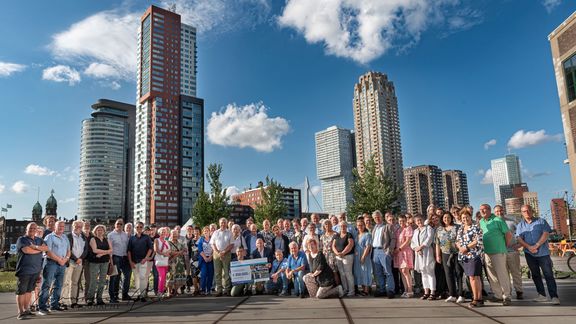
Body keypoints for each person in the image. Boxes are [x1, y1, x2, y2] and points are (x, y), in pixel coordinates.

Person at [516, 205, 560, 305]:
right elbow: (519, 238)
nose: (526, 212)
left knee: (548, 274)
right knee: (535, 275)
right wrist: (529, 247)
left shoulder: (541, 221)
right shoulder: (520, 225)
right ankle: (542, 295)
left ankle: (554, 296)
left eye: (528, 210)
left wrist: (536, 245)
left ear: (532, 211)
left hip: (543, 254)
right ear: (522, 213)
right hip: (529, 254)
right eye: (524, 211)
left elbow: (545, 234)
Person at [479, 204, 512, 306]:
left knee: (502, 274)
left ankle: (506, 296)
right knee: (492, 275)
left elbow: (508, 234)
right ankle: (497, 295)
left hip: (498, 251)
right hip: (487, 252)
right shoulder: (481, 222)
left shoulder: (498, 220)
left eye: (484, 209)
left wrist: (504, 245)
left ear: (489, 210)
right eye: (481, 210)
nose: (482, 211)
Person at [15, 223, 48, 320]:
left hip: (35, 270)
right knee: (21, 291)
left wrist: (35, 247)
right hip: (24, 270)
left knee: (29, 291)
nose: (32, 230)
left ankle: (27, 309)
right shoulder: (22, 239)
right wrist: (38, 249)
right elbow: (26, 250)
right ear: (26, 229)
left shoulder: (39, 239)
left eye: (34, 228)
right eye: (30, 228)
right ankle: (20, 312)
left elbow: (46, 248)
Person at [38, 221, 70, 315]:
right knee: (47, 284)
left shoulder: (65, 237)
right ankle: (42, 307)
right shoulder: (49, 237)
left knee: (59, 285)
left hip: (62, 264)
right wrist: (59, 260)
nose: (61, 227)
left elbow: (69, 250)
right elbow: (48, 251)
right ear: (55, 227)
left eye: (63, 226)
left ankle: (54, 304)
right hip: (51, 263)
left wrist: (65, 259)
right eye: (59, 226)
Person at [494, 205, 523, 300]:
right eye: (497, 211)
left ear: (504, 210)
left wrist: (519, 245)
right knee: (504, 274)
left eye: (501, 210)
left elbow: (521, 234)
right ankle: (507, 292)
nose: (499, 212)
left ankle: (519, 291)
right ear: (494, 213)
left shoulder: (511, 222)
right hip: (500, 253)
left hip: (512, 251)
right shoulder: (493, 223)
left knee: (515, 272)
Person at [456, 211, 483, 308]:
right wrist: (460, 248)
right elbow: (457, 241)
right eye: (463, 218)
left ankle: (476, 298)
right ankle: (479, 298)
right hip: (464, 256)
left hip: (474, 255)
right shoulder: (460, 229)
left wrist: (466, 248)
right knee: (474, 277)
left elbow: (477, 241)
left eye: (467, 217)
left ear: (470, 217)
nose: (465, 219)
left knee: (473, 277)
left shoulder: (476, 227)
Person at [436, 212, 464, 303]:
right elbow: (437, 243)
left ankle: (460, 295)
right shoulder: (439, 229)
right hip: (445, 253)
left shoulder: (457, 227)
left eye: (448, 217)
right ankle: (452, 294)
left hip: (456, 253)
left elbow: (461, 240)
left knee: (458, 273)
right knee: (448, 274)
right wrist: (438, 255)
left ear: (451, 218)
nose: (446, 219)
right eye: (444, 217)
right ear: (442, 219)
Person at [63, 220, 88, 308]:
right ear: (73, 226)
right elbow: (68, 250)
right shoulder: (68, 236)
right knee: (66, 282)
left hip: (79, 263)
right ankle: (63, 302)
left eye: (80, 227)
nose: (78, 228)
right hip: (70, 261)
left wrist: (80, 258)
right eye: (76, 226)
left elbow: (86, 250)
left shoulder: (83, 237)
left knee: (75, 283)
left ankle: (73, 301)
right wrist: (75, 258)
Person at [371, 210, 396, 298]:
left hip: (384, 251)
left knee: (388, 272)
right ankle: (382, 290)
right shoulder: (374, 228)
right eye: (375, 217)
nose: (377, 218)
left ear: (381, 217)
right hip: (375, 251)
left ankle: (390, 290)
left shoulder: (387, 226)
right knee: (378, 273)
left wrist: (390, 250)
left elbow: (393, 238)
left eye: (378, 217)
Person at [86, 224, 112, 306]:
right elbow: (94, 250)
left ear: (104, 231)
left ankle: (99, 298)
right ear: (95, 231)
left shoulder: (106, 239)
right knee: (93, 280)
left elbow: (111, 250)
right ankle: (90, 298)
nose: (100, 231)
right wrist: (106, 252)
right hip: (94, 262)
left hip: (105, 261)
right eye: (98, 230)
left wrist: (101, 254)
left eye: (101, 230)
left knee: (102, 281)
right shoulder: (93, 239)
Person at [411, 215, 436, 300]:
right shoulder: (415, 231)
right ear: (415, 222)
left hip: (427, 252)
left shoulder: (428, 228)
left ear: (423, 220)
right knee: (423, 273)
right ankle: (426, 292)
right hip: (419, 254)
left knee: (430, 272)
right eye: (417, 221)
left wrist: (421, 247)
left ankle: (433, 292)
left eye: (420, 220)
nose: (419, 222)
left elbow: (429, 238)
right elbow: (412, 243)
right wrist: (416, 249)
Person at [128, 221, 153, 302]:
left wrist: (145, 258)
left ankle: (142, 295)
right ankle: (139, 294)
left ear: (142, 228)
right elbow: (129, 251)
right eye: (137, 227)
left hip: (143, 261)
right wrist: (130, 261)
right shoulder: (131, 238)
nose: (139, 228)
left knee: (142, 277)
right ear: (135, 228)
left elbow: (150, 249)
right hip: (134, 262)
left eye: (140, 227)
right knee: (136, 278)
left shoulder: (146, 237)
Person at [108, 218, 132, 303]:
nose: (119, 225)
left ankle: (125, 295)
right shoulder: (110, 235)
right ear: (115, 225)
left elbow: (129, 247)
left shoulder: (125, 235)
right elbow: (109, 249)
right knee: (115, 277)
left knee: (127, 276)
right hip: (115, 257)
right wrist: (111, 261)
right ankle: (113, 296)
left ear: (123, 226)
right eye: (117, 224)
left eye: (121, 224)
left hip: (125, 258)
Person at [210, 218, 234, 296]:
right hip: (216, 254)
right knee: (217, 273)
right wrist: (218, 252)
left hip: (226, 254)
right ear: (219, 223)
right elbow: (212, 244)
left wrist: (224, 251)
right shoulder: (215, 232)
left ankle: (227, 290)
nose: (223, 224)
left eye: (224, 223)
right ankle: (219, 290)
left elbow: (231, 244)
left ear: (226, 223)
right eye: (221, 223)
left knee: (226, 273)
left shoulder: (229, 232)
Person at [332, 220, 355, 297]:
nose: (343, 227)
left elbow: (350, 245)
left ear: (346, 226)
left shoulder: (349, 235)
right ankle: (345, 289)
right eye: (341, 226)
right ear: (339, 227)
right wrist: (337, 253)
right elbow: (333, 246)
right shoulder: (336, 235)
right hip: (338, 257)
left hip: (347, 256)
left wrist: (343, 253)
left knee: (348, 273)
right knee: (342, 274)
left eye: (344, 226)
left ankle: (351, 291)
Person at [393, 215, 414, 298]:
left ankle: (410, 290)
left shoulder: (408, 228)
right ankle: (405, 290)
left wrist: (399, 249)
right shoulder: (398, 230)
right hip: (399, 253)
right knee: (401, 271)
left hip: (405, 251)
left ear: (406, 221)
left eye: (403, 221)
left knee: (406, 271)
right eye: (400, 221)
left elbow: (408, 241)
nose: (401, 222)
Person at [354, 217, 373, 296]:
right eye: (358, 225)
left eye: (361, 225)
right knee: (359, 273)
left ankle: (366, 290)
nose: (359, 227)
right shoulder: (357, 235)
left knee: (365, 272)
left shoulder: (367, 234)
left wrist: (363, 257)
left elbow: (368, 246)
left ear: (364, 226)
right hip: (356, 257)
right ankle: (363, 289)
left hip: (364, 256)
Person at [167, 229, 187, 297]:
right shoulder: (168, 243)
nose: (174, 235)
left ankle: (175, 291)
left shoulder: (180, 243)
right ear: (170, 234)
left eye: (176, 234)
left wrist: (181, 252)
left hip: (180, 263)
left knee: (178, 276)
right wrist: (180, 252)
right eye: (173, 234)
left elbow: (184, 251)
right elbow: (170, 252)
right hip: (171, 263)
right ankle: (169, 292)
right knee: (171, 277)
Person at [154, 227, 171, 297]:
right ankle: (159, 292)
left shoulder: (166, 241)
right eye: (162, 232)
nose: (163, 233)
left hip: (165, 261)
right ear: (159, 233)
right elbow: (156, 250)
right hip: (159, 260)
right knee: (162, 276)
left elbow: (169, 250)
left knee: (164, 277)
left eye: (165, 232)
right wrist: (164, 254)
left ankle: (162, 291)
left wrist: (168, 253)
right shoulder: (156, 240)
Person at [320, 219, 339, 284]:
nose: (327, 225)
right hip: (325, 256)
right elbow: (321, 247)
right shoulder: (322, 236)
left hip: (332, 255)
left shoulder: (335, 234)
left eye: (329, 224)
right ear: (324, 226)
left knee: (334, 272)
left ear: (331, 225)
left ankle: (338, 287)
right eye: (326, 224)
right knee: (326, 272)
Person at [197, 226, 214, 296]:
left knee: (210, 274)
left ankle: (209, 289)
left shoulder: (212, 239)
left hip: (211, 259)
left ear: (209, 232)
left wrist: (210, 257)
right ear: (203, 232)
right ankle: (203, 289)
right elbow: (200, 249)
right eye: (205, 231)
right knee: (203, 274)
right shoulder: (201, 239)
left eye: (207, 230)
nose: (206, 232)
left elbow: (214, 248)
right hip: (203, 259)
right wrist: (205, 258)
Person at [81, 221, 92, 303]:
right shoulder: (79, 235)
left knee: (88, 280)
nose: (87, 227)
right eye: (85, 225)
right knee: (76, 281)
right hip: (79, 260)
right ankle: (74, 299)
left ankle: (87, 297)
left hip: (89, 261)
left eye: (88, 225)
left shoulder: (92, 236)